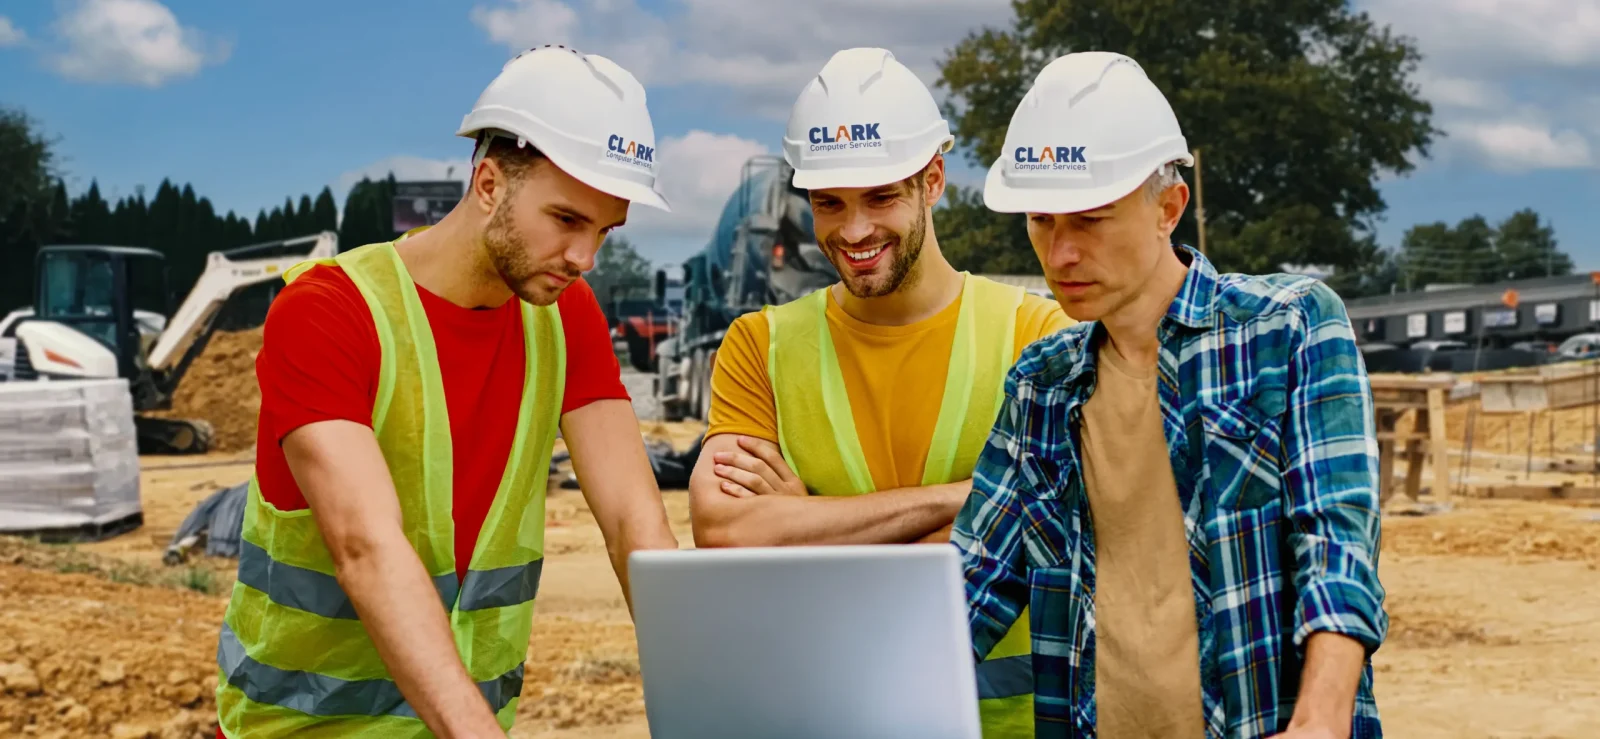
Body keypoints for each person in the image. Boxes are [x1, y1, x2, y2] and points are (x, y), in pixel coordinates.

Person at [212, 45, 681, 738]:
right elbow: (365, 545)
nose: (586, 258)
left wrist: (713, 692)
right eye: (567, 220)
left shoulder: (567, 315)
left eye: (605, 230)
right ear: (489, 182)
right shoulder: (329, 311)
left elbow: (635, 527)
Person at [953, 50, 1387, 739]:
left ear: (1168, 207)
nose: (1059, 253)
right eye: (1040, 221)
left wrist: (1321, 720)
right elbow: (969, 586)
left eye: (1088, 219)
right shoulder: (1041, 386)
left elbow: (1337, 539)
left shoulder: (1289, 328)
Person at [687, 47, 1075, 737]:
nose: (855, 229)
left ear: (933, 182)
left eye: (881, 197)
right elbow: (727, 530)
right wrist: (976, 498)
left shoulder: (1037, 332)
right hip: (831, 713)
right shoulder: (760, 345)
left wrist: (807, 522)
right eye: (829, 203)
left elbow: (1064, 523)